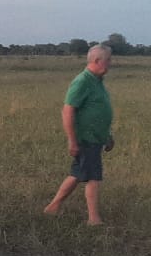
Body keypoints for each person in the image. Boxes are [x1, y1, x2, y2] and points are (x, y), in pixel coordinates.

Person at [43, 44, 114, 226]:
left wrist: (107, 135)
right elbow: (67, 111)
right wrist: (72, 141)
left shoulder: (97, 81)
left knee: (77, 174)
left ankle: (53, 207)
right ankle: (93, 219)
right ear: (97, 61)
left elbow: (98, 111)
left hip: (96, 138)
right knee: (93, 178)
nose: (111, 64)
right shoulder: (82, 81)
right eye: (108, 60)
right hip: (86, 139)